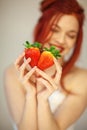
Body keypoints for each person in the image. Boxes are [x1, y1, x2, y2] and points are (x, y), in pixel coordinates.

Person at [4, 0, 87, 130]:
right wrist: (31, 95)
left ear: (77, 40)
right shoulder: (12, 73)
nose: (61, 40)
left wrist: (43, 100)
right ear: (41, 27)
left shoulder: (83, 79)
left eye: (71, 35)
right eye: (54, 29)